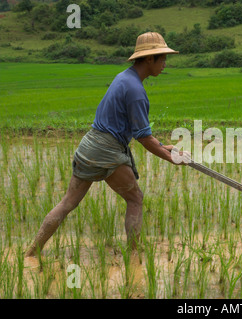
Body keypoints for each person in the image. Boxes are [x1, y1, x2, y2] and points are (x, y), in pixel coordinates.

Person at [25, 32, 190, 257]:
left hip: (89, 145)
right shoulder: (136, 92)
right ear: (149, 59)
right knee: (135, 198)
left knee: (67, 203)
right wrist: (171, 157)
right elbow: (143, 137)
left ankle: (32, 251)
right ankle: (134, 255)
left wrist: (164, 146)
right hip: (107, 150)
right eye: (162, 58)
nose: (165, 64)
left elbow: (138, 131)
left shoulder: (123, 78)